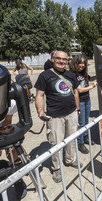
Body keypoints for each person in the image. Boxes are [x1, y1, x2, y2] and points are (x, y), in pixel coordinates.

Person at [35, 51, 82, 183]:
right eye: (58, 59)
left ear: (67, 61)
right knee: (55, 143)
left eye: (64, 59)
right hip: (54, 116)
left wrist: (77, 110)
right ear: (53, 59)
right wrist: (40, 112)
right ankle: (56, 168)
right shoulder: (45, 75)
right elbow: (39, 95)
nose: (61, 61)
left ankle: (70, 159)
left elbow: (76, 92)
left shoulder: (70, 75)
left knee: (72, 139)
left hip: (71, 113)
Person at [69, 54, 97, 154]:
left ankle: (85, 137)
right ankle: (80, 142)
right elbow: (79, 90)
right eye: (80, 63)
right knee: (81, 123)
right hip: (79, 101)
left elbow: (90, 79)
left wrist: (99, 75)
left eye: (84, 63)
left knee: (86, 121)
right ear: (75, 63)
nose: (82, 65)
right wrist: (92, 87)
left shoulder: (83, 73)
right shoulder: (72, 74)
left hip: (87, 100)